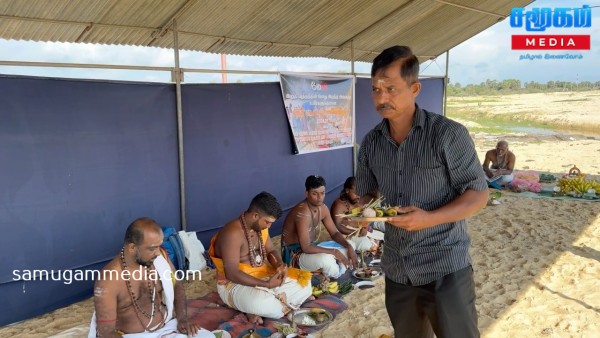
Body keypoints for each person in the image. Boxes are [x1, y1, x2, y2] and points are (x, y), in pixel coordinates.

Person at [355, 45, 488, 338]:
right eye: (376, 89)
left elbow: (478, 193)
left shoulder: (448, 134)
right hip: (397, 269)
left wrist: (429, 218)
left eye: (391, 88)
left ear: (415, 88)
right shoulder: (371, 143)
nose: (381, 97)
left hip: (445, 266)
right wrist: (359, 212)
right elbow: (366, 194)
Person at [88, 217, 215, 338]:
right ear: (132, 248)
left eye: (159, 246)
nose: (157, 253)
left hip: (167, 326)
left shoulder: (160, 258)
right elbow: (106, 333)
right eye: (152, 249)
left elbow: (177, 285)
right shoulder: (108, 280)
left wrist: (182, 319)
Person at [208, 191, 312, 324]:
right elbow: (232, 273)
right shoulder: (232, 233)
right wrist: (267, 284)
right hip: (233, 285)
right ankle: (267, 307)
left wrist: (279, 265)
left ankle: (271, 306)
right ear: (255, 215)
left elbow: (270, 250)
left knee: (305, 284)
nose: (269, 226)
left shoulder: (260, 227)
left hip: (262, 276)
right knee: (260, 302)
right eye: (267, 222)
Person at [281, 175, 359, 279]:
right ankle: (335, 271)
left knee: (351, 245)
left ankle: (332, 269)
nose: (319, 197)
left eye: (322, 193)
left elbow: (335, 233)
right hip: (295, 255)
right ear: (307, 193)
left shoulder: (323, 208)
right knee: (325, 259)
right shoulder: (303, 212)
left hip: (312, 247)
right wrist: (334, 252)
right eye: (314, 193)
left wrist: (348, 247)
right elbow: (306, 247)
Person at [330, 176, 378, 252]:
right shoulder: (339, 204)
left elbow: (364, 221)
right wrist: (356, 233)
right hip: (345, 236)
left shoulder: (358, 202)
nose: (359, 196)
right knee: (366, 244)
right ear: (347, 190)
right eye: (356, 193)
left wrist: (364, 228)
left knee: (381, 236)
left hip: (359, 233)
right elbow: (338, 226)